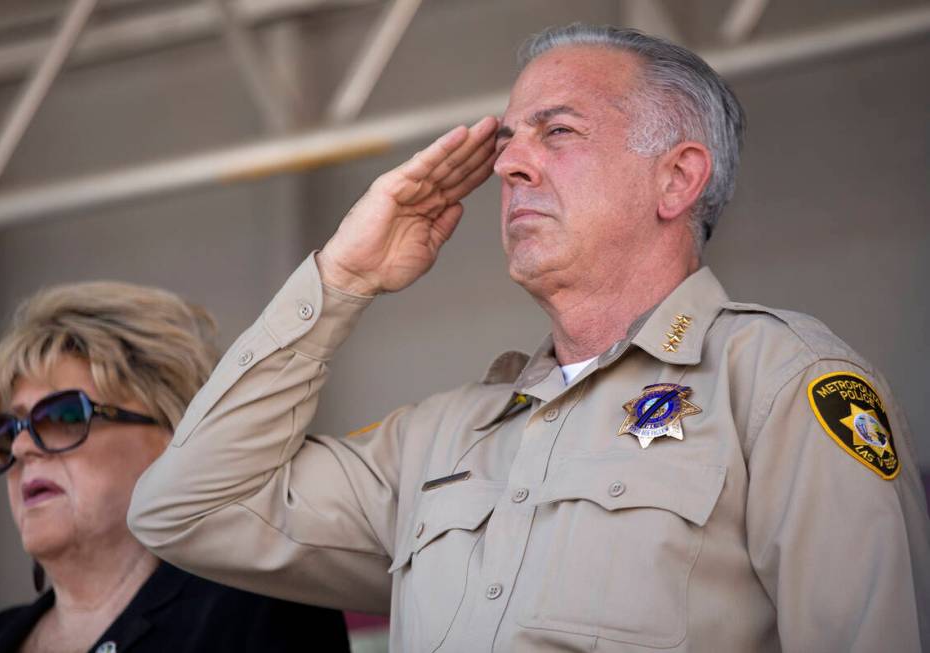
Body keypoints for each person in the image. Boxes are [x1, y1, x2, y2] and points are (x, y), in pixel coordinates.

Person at [128, 24, 930, 652]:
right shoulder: (439, 439)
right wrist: (341, 277)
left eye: (558, 132)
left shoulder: (781, 383)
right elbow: (184, 507)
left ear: (677, 179)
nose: (510, 165)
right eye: (509, 140)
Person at [0, 281, 350, 652]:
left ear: (173, 439)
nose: (20, 448)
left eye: (64, 417)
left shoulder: (261, 612)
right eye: (7, 429)